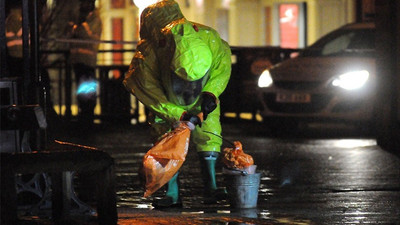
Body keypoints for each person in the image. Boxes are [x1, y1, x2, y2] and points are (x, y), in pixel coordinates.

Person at [124, 0, 232, 208]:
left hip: (202, 97)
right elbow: (152, 95)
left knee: (209, 134)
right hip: (167, 103)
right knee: (167, 141)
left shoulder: (211, 40)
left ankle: (210, 188)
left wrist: (211, 92)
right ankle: (172, 192)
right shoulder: (148, 55)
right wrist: (177, 115)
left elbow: (221, 67)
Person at [70, 0, 102, 124]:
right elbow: (70, 33)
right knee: (82, 91)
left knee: (87, 91)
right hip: (77, 60)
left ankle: (88, 117)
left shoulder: (94, 18)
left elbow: (84, 34)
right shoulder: (79, 18)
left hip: (88, 61)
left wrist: (80, 27)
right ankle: (84, 115)